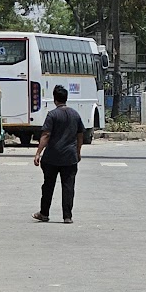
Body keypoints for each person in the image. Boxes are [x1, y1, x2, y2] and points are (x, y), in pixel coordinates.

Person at [33, 85, 86, 223]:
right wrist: (78, 152)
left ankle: (44, 213)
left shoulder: (52, 114)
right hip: (70, 157)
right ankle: (67, 216)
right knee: (68, 187)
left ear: (55, 99)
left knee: (48, 185)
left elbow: (46, 134)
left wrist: (38, 152)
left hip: (52, 157)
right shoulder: (75, 114)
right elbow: (80, 135)